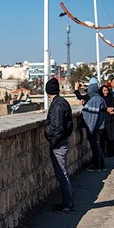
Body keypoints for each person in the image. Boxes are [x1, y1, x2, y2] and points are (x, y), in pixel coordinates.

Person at [44, 78, 75, 214]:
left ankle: (68, 205)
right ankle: (67, 203)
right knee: (63, 174)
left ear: (47, 91)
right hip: (61, 142)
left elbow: (57, 127)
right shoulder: (61, 102)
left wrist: (52, 142)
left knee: (62, 175)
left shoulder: (57, 105)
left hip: (59, 144)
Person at [82, 82, 107, 171]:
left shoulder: (95, 100)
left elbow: (93, 116)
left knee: (95, 146)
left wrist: (90, 129)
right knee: (97, 146)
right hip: (99, 127)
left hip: (95, 127)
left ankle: (96, 166)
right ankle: (101, 165)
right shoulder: (99, 99)